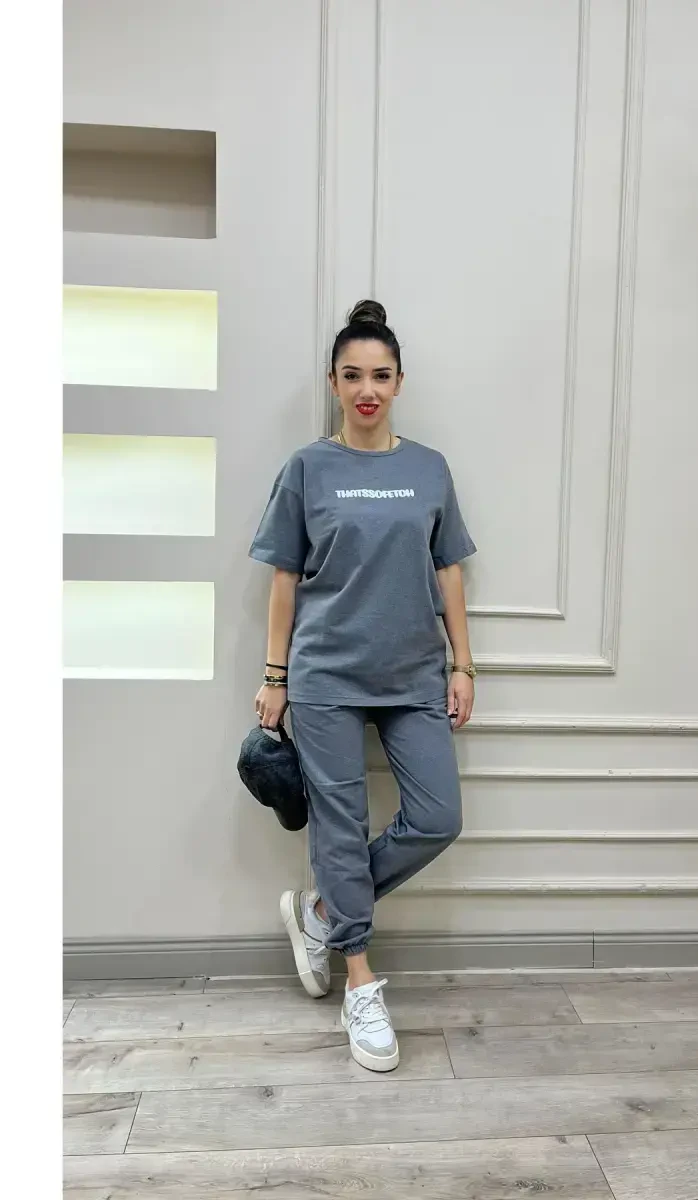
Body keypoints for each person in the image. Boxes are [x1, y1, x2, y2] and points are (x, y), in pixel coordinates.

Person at [248, 299, 478, 1072]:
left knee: (438, 817)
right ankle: (359, 982)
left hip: (413, 673)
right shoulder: (307, 468)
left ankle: (322, 908)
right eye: (353, 376)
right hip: (326, 676)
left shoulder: (429, 469)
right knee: (339, 830)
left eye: (380, 375)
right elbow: (285, 578)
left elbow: (449, 571)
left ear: (399, 382)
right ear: (334, 383)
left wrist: (463, 663)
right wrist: (275, 677)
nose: (367, 389)